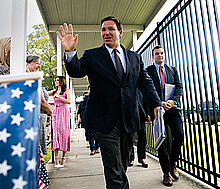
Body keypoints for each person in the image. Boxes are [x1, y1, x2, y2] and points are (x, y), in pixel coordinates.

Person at [57, 16, 161, 188]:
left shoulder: (134, 57)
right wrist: (70, 53)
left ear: (120, 32)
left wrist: (156, 103)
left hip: (129, 119)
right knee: (112, 165)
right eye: (103, 30)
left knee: (122, 164)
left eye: (110, 29)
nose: (106, 33)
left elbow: (145, 82)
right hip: (105, 120)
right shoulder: (92, 55)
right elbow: (77, 71)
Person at [146, 45, 184, 187]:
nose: (160, 56)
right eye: (157, 54)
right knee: (162, 142)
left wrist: (173, 101)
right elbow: (146, 90)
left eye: (161, 53)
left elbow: (179, 87)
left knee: (179, 135)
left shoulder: (172, 70)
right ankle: (166, 172)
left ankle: (173, 162)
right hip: (157, 110)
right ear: (152, 56)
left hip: (172, 109)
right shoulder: (148, 72)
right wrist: (158, 104)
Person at [26, 55, 53, 154]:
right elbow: (41, 102)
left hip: (40, 119)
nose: (39, 66)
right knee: (36, 153)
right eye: (37, 63)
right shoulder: (31, 79)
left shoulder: (35, 78)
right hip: (35, 119)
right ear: (28, 64)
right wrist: (51, 112)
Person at [48, 76, 71, 168]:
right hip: (56, 113)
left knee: (64, 134)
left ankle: (63, 158)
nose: (56, 81)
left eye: (58, 80)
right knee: (55, 135)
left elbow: (69, 101)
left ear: (62, 81)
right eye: (55, 80)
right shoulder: (54, 91)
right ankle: (56, 159)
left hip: (63, 113)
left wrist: (59, 97)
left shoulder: (66, 91)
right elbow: (44, 93)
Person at [128, 91, 149, 168]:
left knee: (142, 135)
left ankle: (141, 158)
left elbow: (146, 97)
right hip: (130, 112)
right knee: (130, 136)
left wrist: (148, 113)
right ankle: (130, 157)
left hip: (141, 112)